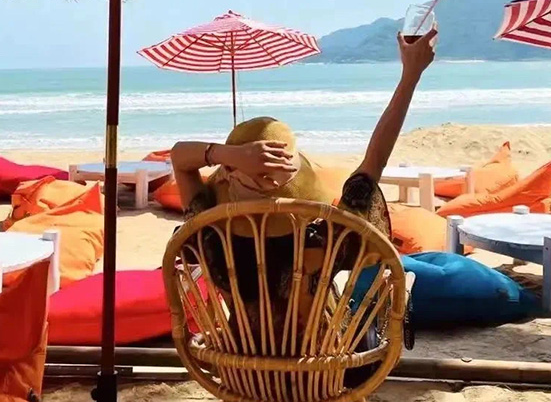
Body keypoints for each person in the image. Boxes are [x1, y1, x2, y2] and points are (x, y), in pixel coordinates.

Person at [171, 26, 438, 348]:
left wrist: (229, 156)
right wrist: (410, 76)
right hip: (323, 366)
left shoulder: (210, 234)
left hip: (240, 363)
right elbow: (376, 160)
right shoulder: (327, 239)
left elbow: (179, 158)